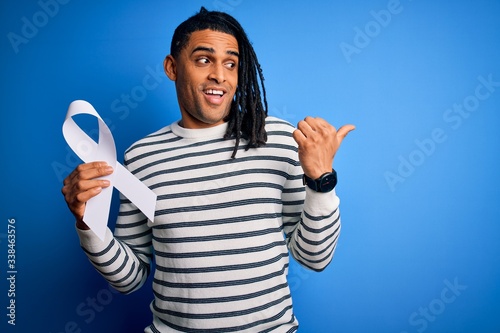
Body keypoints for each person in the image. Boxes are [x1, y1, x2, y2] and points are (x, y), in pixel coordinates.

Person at [62, 7, 355, 333]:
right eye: (204, 60)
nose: (220, 75)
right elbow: (130, 279)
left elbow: (314, 258)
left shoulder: (278, 140)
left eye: (231, 63)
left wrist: (321, 181)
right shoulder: (141, 157)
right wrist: (88, 223)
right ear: (172, 67)